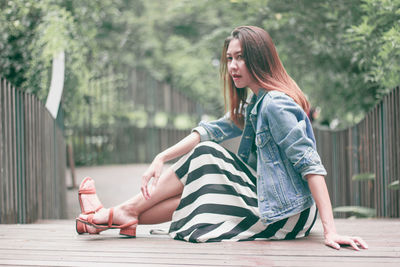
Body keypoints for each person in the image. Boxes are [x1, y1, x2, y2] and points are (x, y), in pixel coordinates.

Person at [77, 26, 368, 250]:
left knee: (208, 155)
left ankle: (118, 213)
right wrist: (161, 157)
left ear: (259, 59)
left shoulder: (276, 104)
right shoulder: (255, 103)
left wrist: (331, 230)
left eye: (241, 58)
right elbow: (211, 129)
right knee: (203, 186)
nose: (232, 66)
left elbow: (310, 164)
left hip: (289, 214)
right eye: (229, 58)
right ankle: (113, 219)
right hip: (277, 205)